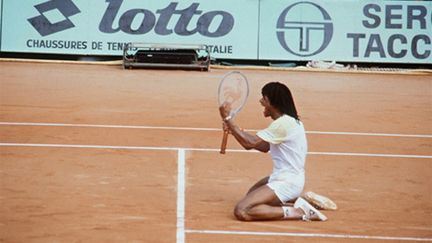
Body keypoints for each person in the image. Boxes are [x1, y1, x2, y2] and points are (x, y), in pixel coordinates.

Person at [219, 81, 330, 221]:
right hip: (284, 177)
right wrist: (234, 131)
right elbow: (263, 147)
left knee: (243, 210)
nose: (261, 101)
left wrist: (228, 119)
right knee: (251, 196)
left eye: (263, 98)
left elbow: (249, 143)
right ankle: (299, 200)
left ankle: (299, 211)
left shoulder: (283, 124)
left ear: (271, 102)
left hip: (288, 181)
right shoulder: (288, 121)